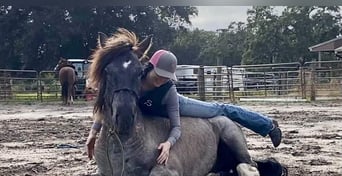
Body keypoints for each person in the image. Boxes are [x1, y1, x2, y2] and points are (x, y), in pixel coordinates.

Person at [86, 49, 282, 165]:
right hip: (151, 118)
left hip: (178, 105)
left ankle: (267, 125)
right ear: (150, 67)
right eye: (159, 74)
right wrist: (94, 132)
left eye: (166, 76)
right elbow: (108, 105)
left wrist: (169, 143)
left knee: (222, 109)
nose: (162, 79)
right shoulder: (134, 82)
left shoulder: (168, 90)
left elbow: (176, 125)